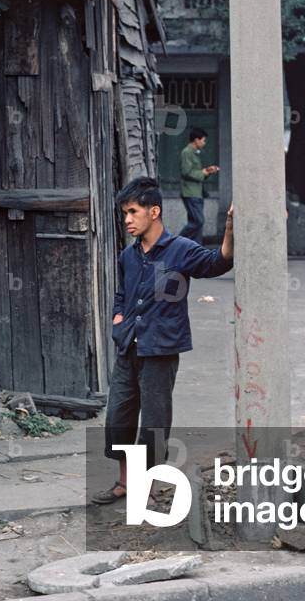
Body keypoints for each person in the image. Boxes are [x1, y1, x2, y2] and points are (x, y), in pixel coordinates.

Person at [91, 177, 234, 504]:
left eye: (133, 211)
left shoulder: (180, 249)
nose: (127, 219)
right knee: (118, 418)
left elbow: (218, 262)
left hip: (161, 350)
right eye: (124, 213)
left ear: (154, 211)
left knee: (154, 423)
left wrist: (229, 231)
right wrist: (118, 320)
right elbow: (121, 294)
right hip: (128, 347)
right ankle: (125, 484)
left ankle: (149, 487)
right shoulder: (129, 255)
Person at [179, 127, 219, 244]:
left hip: (197, 192)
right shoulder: (187, 152)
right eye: (203, 140)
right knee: (198, 221)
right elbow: (186, 172)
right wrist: (203, 172)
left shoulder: (194, 153)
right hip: (190, 192)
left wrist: (207, 171)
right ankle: (175, 242)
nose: (204, 143)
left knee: (197, 225)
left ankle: (196, 248)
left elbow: (195, 172)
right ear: (196, 140)